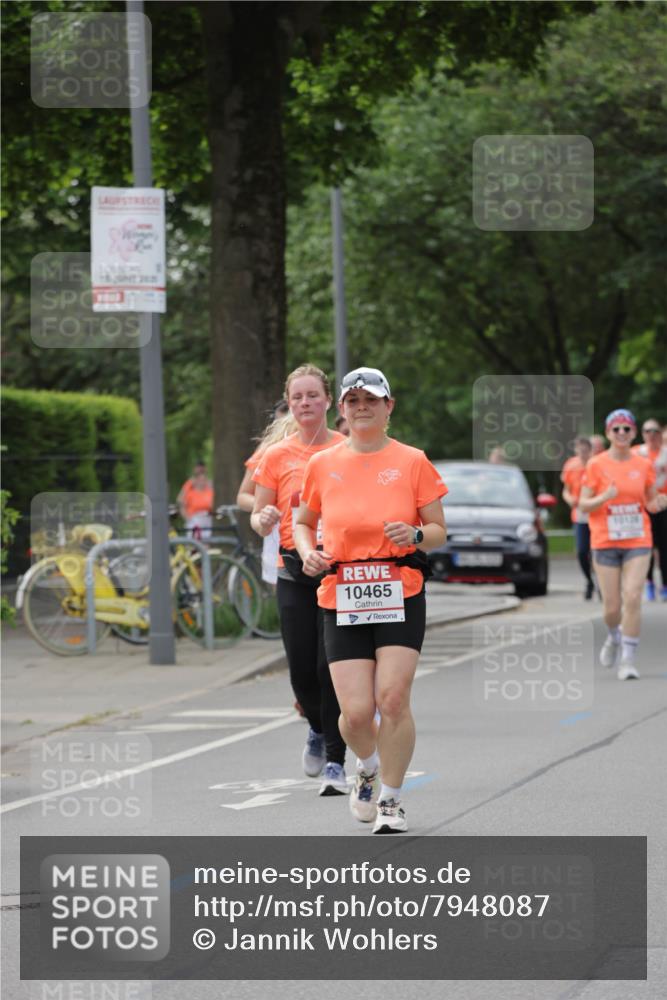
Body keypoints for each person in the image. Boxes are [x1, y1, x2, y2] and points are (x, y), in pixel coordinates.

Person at [295, 367, 446, 834]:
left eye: (372, 400)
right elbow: (303, 521)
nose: (362, 407)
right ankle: (366, 765)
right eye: (353, 400)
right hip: (342, 593)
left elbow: (439, 531)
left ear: (388, 407)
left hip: (399, 589)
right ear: (341, 409)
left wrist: (417, 533)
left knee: (393, 698)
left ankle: (393, 800)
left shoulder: (413, 460)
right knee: (356, 713)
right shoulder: (322, 464)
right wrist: (307, 553)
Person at [251, 365, 348, 795]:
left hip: (340, 569)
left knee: (333, 670)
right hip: (293, 569)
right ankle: (314, 725)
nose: (305, 403)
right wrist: (264, 517)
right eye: (297, 398)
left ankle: (336, 759)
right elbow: (257, 515)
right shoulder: (276, 456)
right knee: (302, 671)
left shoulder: (349, 449)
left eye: (313, 395)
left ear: (329, 401)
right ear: (289, 404)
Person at [579, 409, 667, 680]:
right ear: (607, 433)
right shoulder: (596, 464)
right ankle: (614, 636)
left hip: (637, 538)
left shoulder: (643, 465)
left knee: (632, 597)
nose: (621, 433)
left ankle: (628, 660)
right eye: (615, 428)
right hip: (605, 540)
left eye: (626, 429)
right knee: (612, 607)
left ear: (633, 433)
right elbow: (583, 503)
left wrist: (659, 503)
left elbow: (650, 501)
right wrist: (605, 496)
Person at [237, 402, 296, 585]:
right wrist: (268, 506)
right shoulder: (269, 450)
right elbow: (242, 496)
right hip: (278, 534)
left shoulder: (323, 443)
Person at [632, 419, 667, 601]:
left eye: (655, 431)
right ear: (642, 434)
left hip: (664, 506)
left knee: (664, 548)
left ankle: (665, 585)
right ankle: (650, 583)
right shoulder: (636, 453)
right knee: (647, 546)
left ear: (660, 434)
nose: (651, 435)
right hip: (644, 507)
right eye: (647, 431)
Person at [561, 436, 595, 599]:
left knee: (597, 551)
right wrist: (569, 499)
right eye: (579, 449)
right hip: (580, 514)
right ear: (575, 450)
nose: (582, 452)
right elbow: (566, 490)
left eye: (585, 449)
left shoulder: (596, 464)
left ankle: (602, 583)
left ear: (590, 450)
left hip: (596, 513)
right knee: (582, 551)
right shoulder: (571, 465)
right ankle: (589, 580)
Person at [177, 461, 214, 538]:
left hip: (207, 519)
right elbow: (180, 501)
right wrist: (187, 518)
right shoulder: (190, 484)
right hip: (194, 519)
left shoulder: (209, 485)